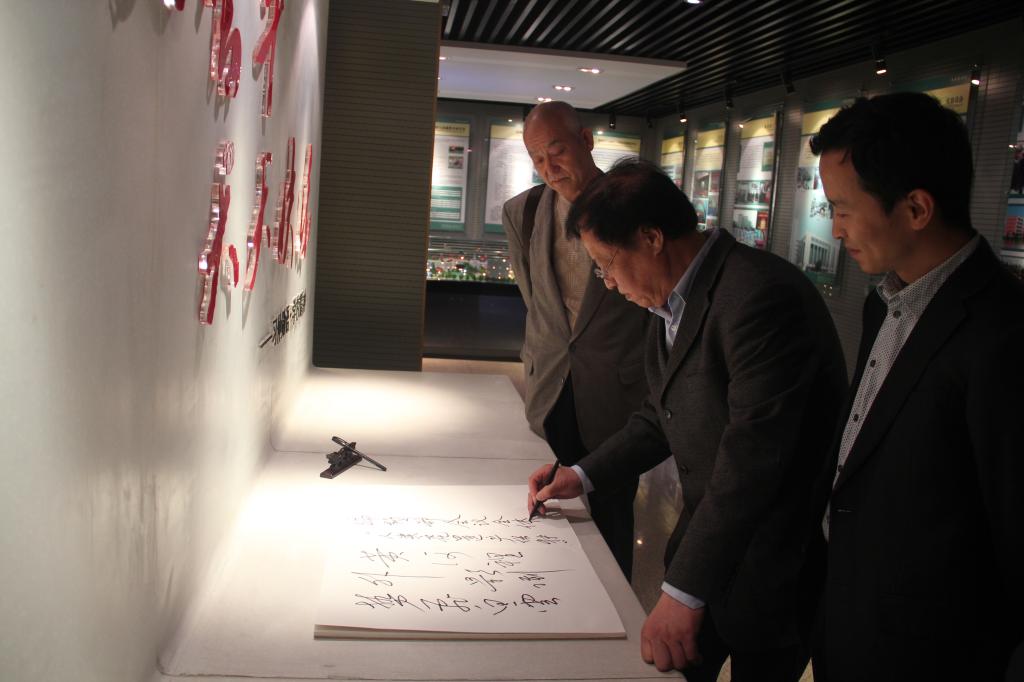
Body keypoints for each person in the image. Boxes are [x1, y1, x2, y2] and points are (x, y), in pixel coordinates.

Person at [528, 159, 848, 682]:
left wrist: (682, 590)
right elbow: (660, 415)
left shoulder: (758, 297)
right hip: (708, 556)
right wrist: (581, 475)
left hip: (769, 569)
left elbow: (752, 461)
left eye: (607, 264)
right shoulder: (672, 298)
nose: (608, 282)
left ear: (651, 237)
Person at [810, 92, 1024, 681]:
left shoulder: (1002, 335)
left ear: (916, 208)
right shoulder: (886, 303)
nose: (835, 228)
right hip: (851, 618)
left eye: (843, 209)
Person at [501, 102, 648, 580]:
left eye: (557, 151)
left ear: (586, 140)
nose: (549, 168)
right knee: (545, 506)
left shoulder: (634, 206)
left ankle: (614, 606)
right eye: (537, 159)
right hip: (549, 386)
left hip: (615, 391)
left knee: (611, 513)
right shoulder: (522, 213)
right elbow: (536, 299)